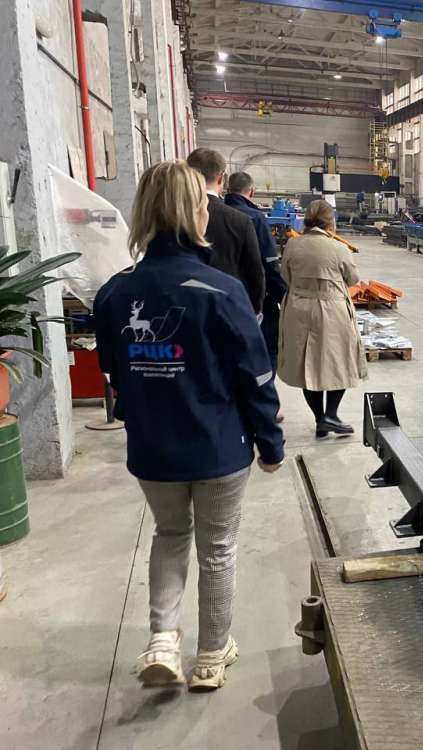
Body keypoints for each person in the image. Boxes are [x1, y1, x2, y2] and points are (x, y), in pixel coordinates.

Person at [94, 161, 284, 690]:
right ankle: (211, 655)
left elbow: (114, 373)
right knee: (217, 549)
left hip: (153, 451)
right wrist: (270, 443)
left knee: (170, 534)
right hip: (218, 447)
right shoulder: (220, 290)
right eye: (202, 204)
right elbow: (255, 376)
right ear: (194, 212)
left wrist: (142, 414)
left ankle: (162, 639)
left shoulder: (114, 294)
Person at [278, 200, 368, 438]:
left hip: (297, 308)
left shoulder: (293, 245)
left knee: (305, 364)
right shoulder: (339, 248)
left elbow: (285, 274)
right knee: (339, 360)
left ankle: (321, 419)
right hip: (332, 309)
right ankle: (331, 415)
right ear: (330, 222)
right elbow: (353, 279)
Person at [186, 148, 265, 314]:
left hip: (182, 308)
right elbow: (254, 274)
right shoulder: (240, 221)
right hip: (226, 309)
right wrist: (253, 312)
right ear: (221, 178)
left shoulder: (171, 215)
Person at [224, 172, 288, 375]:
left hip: (222, 299)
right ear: (251, 191)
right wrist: (284, 296)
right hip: (256, 300)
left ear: (227, 188)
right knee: (266, 353)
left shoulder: (212, 213)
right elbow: (269, 264)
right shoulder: (255, 218)